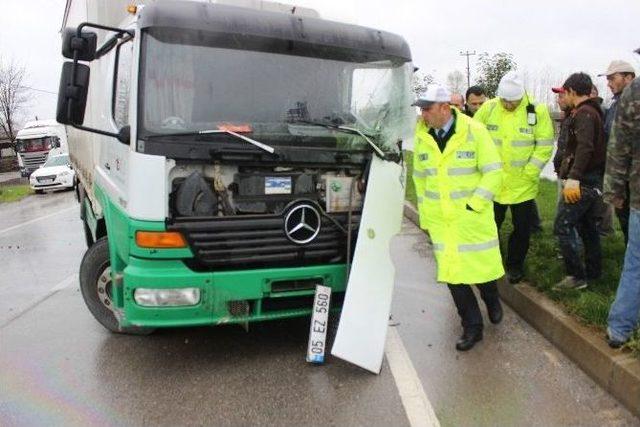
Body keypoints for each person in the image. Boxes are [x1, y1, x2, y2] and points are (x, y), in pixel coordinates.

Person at [412, 84, 504, 352]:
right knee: (454, 276)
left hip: (470, 218)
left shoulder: (474, 131)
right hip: (441, 221)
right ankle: (472, 326)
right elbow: (420, 179)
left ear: (444, 108)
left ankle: (492, 299)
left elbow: (493, 172)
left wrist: (474, 205)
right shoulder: (422, 137)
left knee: (480, 268)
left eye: (427, 109)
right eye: (421, 109)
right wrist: (426, 217)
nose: (423, 114)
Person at [474, 71, 555, 284]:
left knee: (522, 229)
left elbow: (544, 145)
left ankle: (515, 265)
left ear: (521, 96)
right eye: (505, 101)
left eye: (513, 101)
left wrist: (530, 172)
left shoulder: (537, 111)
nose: (508, 105)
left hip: (522, 185)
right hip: (494, 183)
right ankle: (490, 262)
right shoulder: (489, 108)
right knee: (489, 226)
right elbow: (473, 137)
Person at [553, 73, 606, 290]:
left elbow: (585, 147)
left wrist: (573, 178)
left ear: (572, 91)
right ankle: (594, 272)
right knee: (586, 227)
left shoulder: (584, 113)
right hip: (591, 180)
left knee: (563, 225)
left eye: (565, 92)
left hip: (584, 182)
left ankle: (576, 276)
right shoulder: (593, 112)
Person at [604, 58, 640, 348]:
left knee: (635, 264)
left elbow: (619, 147)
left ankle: (619, 329)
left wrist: (614, 190)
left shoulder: (634, 93)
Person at [600, 60, 636, 244]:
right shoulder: (614, 105)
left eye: (612, 78)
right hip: (620, 178)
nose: (608, 83)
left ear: (628, 77)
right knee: (627, 224)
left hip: (634, 178)